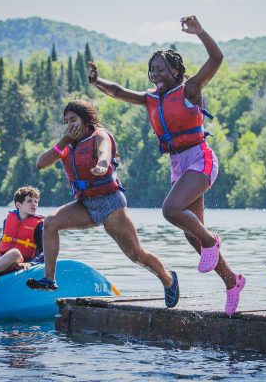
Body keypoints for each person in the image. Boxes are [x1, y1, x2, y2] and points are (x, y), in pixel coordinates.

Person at [87, 16, 246, 315]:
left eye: (161, 69)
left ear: (175, 71)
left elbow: (217, 57)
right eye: (152, 70)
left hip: (200, 157)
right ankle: (232, 281)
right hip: (178, 164)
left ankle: (213, 240)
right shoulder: (150, 100)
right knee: (192, 236)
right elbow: (119, 92)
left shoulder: (190, 90)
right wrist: (97, 82)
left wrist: (200, 32)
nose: (155, 74)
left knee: (171, 210)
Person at [25, 100, 180, 308]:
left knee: (135, 254)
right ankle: (50, 279)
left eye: (74, 120)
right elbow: (40, 163)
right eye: (67, 121)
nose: (70, 125)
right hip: (85, 205)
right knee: (50, 223)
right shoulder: (67, 143)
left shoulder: (99, 135)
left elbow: (105, 152)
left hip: (110, 204)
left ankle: (168, 279)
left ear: (86, 121)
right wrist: (63, 140)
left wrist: (101, 165)